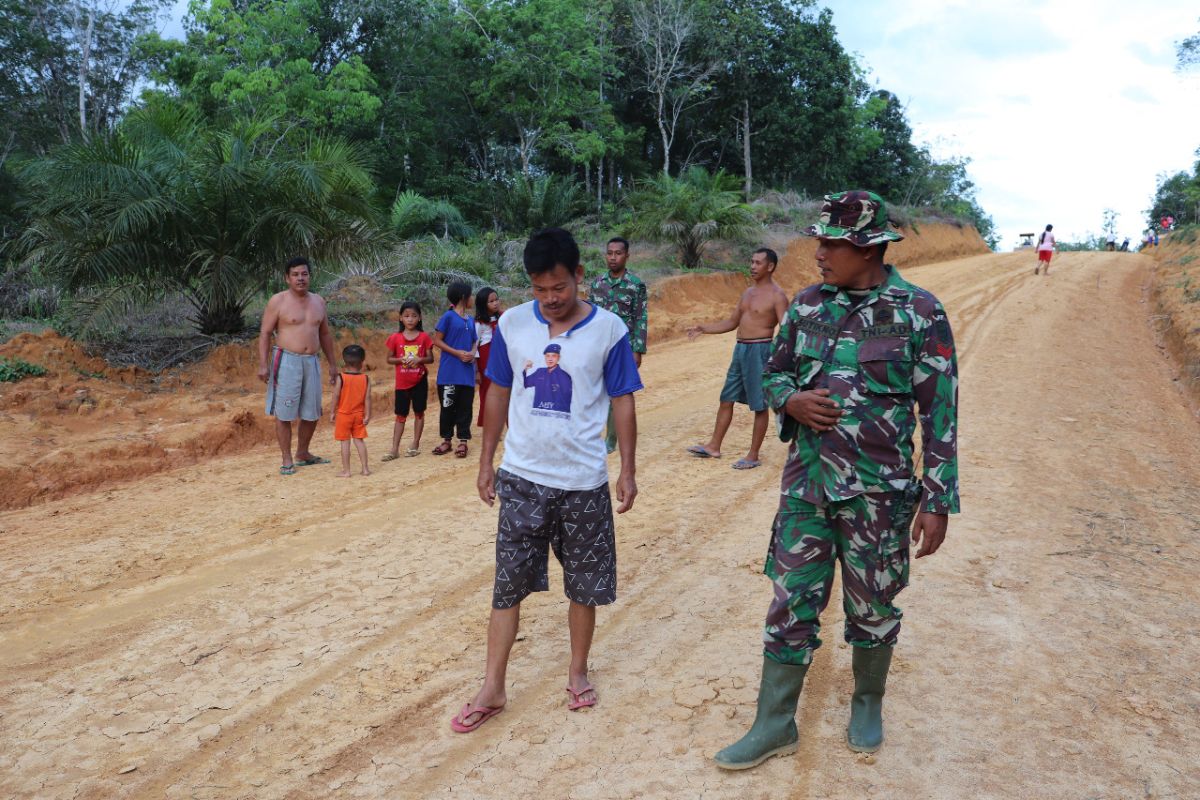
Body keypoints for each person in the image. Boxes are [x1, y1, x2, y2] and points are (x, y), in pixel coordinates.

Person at [713, 190, 958, 770]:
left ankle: (867, 703)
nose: (819, 252)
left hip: (881, 494)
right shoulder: (805, 306)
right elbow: (774, 376)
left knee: (874, 605)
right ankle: (774, 723)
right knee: (790, 603)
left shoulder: (919, 311)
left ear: (869, 247)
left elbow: (940, 411)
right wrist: (791, 400)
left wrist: (938, 497)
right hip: (807, 488)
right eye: (819, 240)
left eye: (832, 243)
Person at [451, 227, 642, 733]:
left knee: (583, 586)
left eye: (558, 287)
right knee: (506, 584)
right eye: (539, 289)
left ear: (579, 276)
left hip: (583, 481)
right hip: (522, 478)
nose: (550, 299)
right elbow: (496, 392)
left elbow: (623, 399)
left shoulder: (610, 330)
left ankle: (577, 673)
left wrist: (627, 467)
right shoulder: (512, 324)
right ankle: (492, 686)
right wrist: (486, 459)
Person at [684, 248, 789, 470]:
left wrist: (776, 356)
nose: (752, 266)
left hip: (760, 350)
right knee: (726, 398)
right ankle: (713, 446)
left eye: (758, 262)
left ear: (770, 267)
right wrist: (704, 328)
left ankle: (753, 455)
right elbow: (732, 323)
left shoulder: (777, 295)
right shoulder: (747, 293)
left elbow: (787, 329)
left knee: (759, 405)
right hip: (740, 350)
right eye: (751, 261)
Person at [258, 256, 339, 476]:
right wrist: (263, 364)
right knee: (284, 413)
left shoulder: (319, 302)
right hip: (286, 360)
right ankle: (286, 458)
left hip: (311, 361)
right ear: (287, 278)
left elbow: (324, 334)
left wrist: (332, 364)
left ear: (309, 276)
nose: (300, 278)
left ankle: (303, 453)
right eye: (295, 275)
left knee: (312, 412)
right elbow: (265, 333)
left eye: (304, 274)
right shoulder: (278, 301)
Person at [588, 237, 648, 453]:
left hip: (622, 347)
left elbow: (640, 317)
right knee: (595, 392)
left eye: (618, 253)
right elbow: (589, 316)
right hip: (598, 346)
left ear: (627, 256)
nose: (613, 257)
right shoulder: (597, 284)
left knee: (618, 394)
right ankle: (593, 434)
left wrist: (637, 349)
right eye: (609, 253)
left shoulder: (635, 284)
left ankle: (611, 439)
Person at [431, 281, 478, 458]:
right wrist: (457, 353)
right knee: (447, 407)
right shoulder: (448, 317)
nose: (472, 299)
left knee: (466, 407)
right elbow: (437, 340)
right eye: (470, 295)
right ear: (463, 297)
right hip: (449, 373)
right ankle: (447, 440)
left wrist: (473, 352)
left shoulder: (471, 320)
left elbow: (474, 341)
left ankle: (463, 441)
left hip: (467, 373)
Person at [383, 301, 433, 460]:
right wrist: (401, 360)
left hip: (419, 381)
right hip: (402, 383)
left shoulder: (424, 337)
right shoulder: (395, 338)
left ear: (419, 318)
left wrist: (419, 359)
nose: (410, 319)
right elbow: (389, 359)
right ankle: (394, 449)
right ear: (400, 318)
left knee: (419, 412)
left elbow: (430, 358)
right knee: (400, 415)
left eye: (413, 316)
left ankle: (415, 444)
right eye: (406, 316)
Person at [331, 344, 372, 477]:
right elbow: (368, 399)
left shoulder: (341, 378)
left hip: (343, 415)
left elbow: (336, 396)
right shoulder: (365, 378)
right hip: (359, 415)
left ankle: (346, 471)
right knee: (359, 441)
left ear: (344, 361)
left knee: (345, 442)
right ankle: (365, 469)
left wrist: (332, 412)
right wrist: (368, 414)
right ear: (362, 362)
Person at [475, 286, 503, 429]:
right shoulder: (479, 323)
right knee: (487, 391)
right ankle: (488, 424)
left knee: (502, 389)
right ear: (482, 304)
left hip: (500, 357)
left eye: (496, 299)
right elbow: (474, 347)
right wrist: (476, 371)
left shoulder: (502, 318)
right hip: (485, 358)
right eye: (491, 301)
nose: (495, 303)